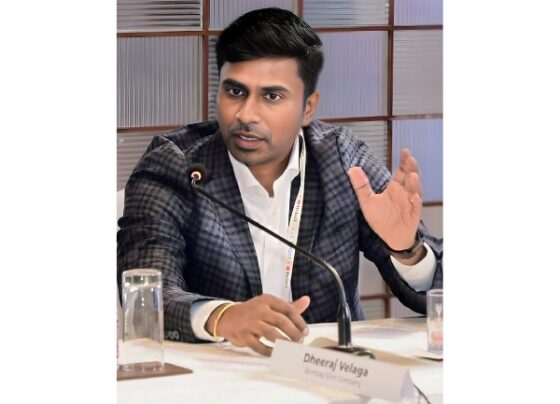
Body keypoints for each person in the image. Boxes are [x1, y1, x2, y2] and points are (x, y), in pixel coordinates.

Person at [117, 7, 443, 356]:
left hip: (331, 370)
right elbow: (145, 291)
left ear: (308, 108)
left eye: (271, 96)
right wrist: (222, 316)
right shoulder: (176, 166)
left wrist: (407, 250)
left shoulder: (344, 161)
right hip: (218, 368)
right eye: (235, 92)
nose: (246, 114)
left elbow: (439, 292)